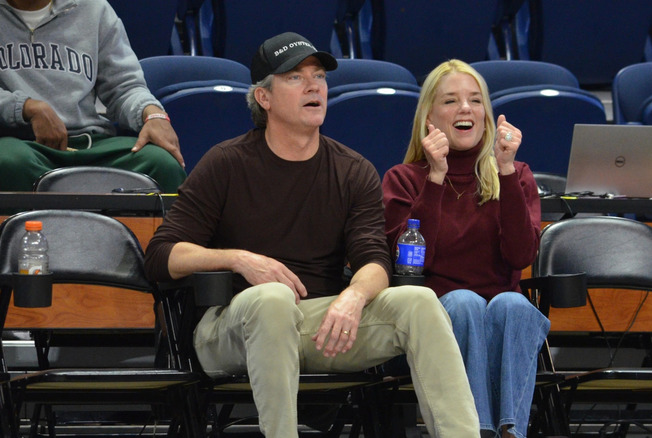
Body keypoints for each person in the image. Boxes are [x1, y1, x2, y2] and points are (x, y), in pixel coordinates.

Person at [143, 32, 480, 438]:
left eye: (318, 76)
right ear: (263, 98)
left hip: (319, 325)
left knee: (418, 301)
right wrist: (237, 259)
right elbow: (161, 255)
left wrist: (353, 297)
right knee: (273, 298)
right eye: (294, 78)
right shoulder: (226, 163)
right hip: (230, 328)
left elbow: (375, 260)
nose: (313, 86)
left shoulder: (353, 170)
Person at [382, 59, 550, 438]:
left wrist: (505, 172)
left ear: (487, 116)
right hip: (435, 313)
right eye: (451, 101)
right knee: (463, 302)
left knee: (514, 304)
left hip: (501, 308)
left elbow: (520, 257)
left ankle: (508, 433)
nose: (465, 109)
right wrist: (437, 178)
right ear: (429, 116)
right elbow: (418, 265)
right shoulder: (405, 179)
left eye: (476, 101)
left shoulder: (516, 174)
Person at [0, 0, 186, 193]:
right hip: (23, 144)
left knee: (162, 164)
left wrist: (152, 114)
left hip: (90, 144)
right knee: (7, 161)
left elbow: (124, 86)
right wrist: (26, 107)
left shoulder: (94, 8)